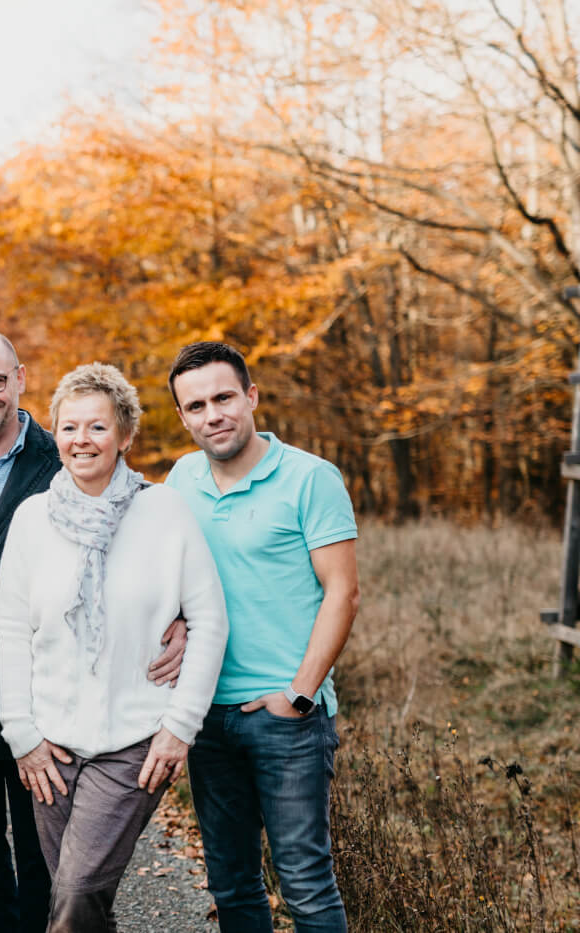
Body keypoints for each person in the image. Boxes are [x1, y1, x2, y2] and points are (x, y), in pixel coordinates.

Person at [0, 332, 189, 933]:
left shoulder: (67, 455)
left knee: (47, 868)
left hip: (48, 709)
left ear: (20, 379)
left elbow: (146, 538)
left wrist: (178, 617)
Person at [0, 362, 228, 932]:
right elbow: (12, 632)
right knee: (78, 902)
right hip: (50, 747)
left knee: (74, 895)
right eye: (69, 428)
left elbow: (210, 619)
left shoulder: (164, 511)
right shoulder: (31, 519)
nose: (82, 441)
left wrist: (180, 727)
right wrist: (22, 736)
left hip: (134, 744)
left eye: (98, 428)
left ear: (125, 435)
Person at [164, 342, 360, 933]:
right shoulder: (180, 478)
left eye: (224, 397)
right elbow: (171, 576)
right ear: (183, 416)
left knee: (304, 883)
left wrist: (299, 694)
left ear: (251, 397)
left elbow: (343, 593)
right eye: (195, 405)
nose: (212, 415)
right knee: (232, 882)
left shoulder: (311, 479)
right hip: (207, 714)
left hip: (288, 719)